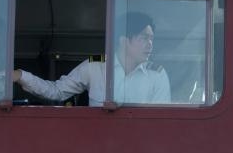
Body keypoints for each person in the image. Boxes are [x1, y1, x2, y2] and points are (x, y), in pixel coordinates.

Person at [14, 11, 171, 106]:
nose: (150, 44)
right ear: (124, 40)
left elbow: (162, 122)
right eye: (144, 38)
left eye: (151, 39)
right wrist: (21, 76)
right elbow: (57, 91)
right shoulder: (95, 65)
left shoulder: (157, 74)